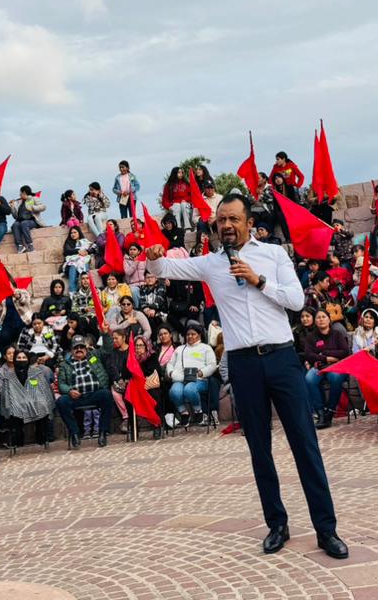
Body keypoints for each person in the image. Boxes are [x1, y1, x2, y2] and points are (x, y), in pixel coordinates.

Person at [145, 194, 347, 559]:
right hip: (243, 364)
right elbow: (164, 271)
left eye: (233, 218)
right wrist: (154, 257)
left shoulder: (273, 254)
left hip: (282, 358)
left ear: (248, 223)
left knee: (304, 443)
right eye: (221, 219)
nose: (226, 225)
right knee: (259, 449)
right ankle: (277, 525)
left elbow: (297, 301)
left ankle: (326, 529)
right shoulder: (210, 264)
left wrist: (258, 281)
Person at [55, 335, 115, 447]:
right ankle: (75, 433)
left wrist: (105, 333)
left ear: (86, 349)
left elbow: (108, 348)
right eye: (76, 347)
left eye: (81, 347)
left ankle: (102, 432)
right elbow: (61, 384)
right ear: (71, 350)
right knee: (61, 402)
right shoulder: (65, 364)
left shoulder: (94, 356)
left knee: (106, 395)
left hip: (94, 393)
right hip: (76, 396)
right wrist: (69, 390)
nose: (79, 350)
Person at [301, 309, 350, 429]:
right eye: (318, 318)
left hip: (337, 367)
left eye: (324, 317)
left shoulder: (337, 334)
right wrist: (327, 358)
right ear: (315, 321)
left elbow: (345, 352)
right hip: (319, 366)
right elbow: (309, 355)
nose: (321, 319)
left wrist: (325, 352)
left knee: (335, 378)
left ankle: (330, 410)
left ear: (329, 319)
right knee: (309, 379)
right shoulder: (311, 337)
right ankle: (321, 413)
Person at [0, 348, 55, 448]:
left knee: (43, 404)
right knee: (14, 408)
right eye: (19, 357)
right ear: (15, 359)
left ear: (28, 359)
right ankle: (18, 441)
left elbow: (44, 390)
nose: (21, 360)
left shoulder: (37, 372)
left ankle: (42, 438)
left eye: (24, 357)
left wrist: (36, 399)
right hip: (17, 401)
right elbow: (6, 395)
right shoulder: (8, 376)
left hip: (35, 399)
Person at [167, 323, 218, 427]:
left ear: (199, 335)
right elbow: (170, 364)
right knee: (174, 391)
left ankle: (198, 411)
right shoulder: (179, 349)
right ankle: (184, 413)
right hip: (180, 379)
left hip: (199, 379)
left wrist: (202, 372)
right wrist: (171, 372)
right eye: (188, 334)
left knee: (189, 389)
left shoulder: (206, 348)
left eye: (193, 334)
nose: (190, 336)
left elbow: (212, 365)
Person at [10, 185, 47, 254]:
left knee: (24, 224)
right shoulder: (19, 202)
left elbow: (43, 207)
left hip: (32, 220)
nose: (20, 194)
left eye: (20, 193)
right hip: (20, 220)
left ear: (24, 192)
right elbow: (15, 216)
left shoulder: (33, 199)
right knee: (15, 225)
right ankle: (20, 246)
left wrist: (33, 207)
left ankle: (30, 245)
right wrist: (12, 208)